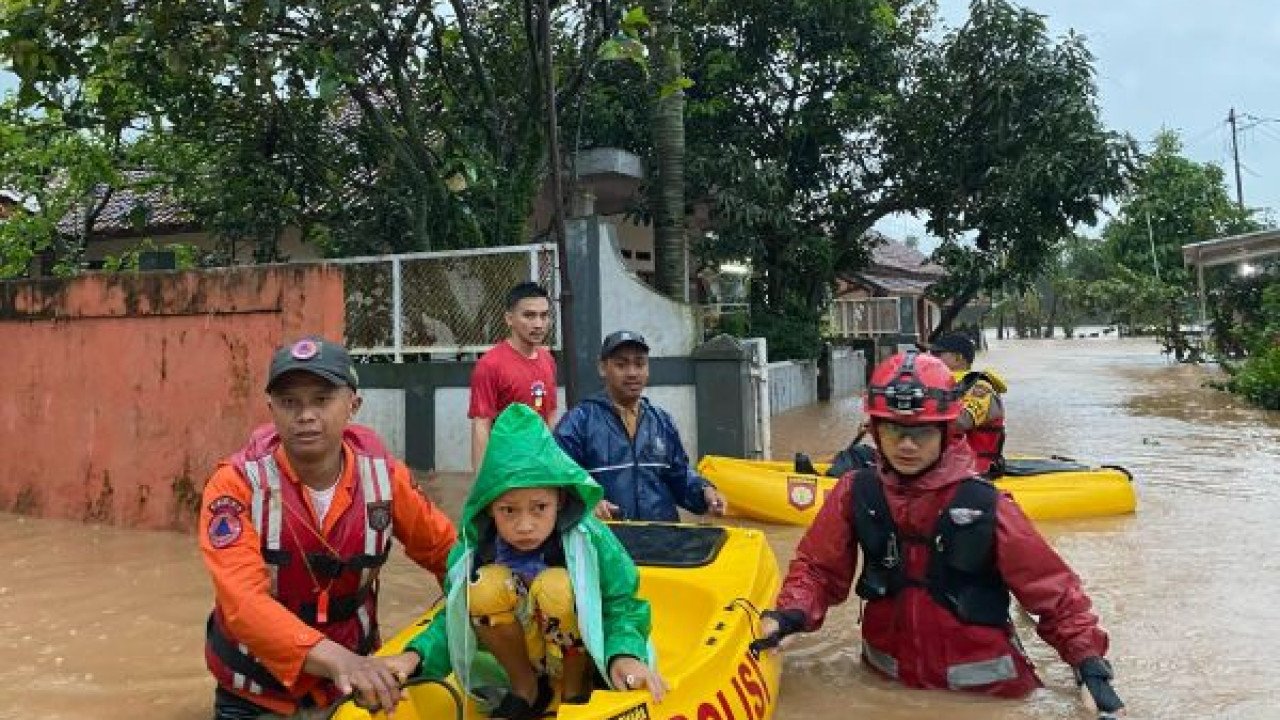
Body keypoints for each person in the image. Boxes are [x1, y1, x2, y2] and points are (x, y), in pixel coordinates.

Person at [752, 351, 1125, 716]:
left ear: (948, 431)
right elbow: (817, 570)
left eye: (921, 432)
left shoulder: (990, 506)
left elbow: (1056, 595)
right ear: (875, 431)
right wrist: (788, 616)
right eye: (894, 431)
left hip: (989, 698)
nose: (907, 445)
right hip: (886, 687)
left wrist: (1089, 667)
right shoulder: (854, 493)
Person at [199, 336, 458, 719]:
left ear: (353, 405)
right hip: (256, 691)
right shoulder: (234, 486)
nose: (305, 415)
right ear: (271, 409)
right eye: (290, 402)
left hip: (352, 687)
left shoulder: (387, 481)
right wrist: (343, 662)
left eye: (321, 399)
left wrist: (424, 650)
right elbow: (243, 604)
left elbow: (454, 560)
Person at [382, 403, 665, 720]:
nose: (525, 525)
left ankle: (574, 691)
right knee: (483, 587)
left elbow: (622, 604)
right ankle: (526, 688)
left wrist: (624, 655)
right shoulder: (473, 550)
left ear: (559, 499)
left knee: (555, 586)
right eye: (509, 510)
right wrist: (413, 657)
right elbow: (454, 618)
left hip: (578, 655)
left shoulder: (590, 538)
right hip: (524, 652)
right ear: (489, 508)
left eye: (539, 507)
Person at [553, 330, 726, 521]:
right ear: (602, 368)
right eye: (621, 364)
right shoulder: (579, 422)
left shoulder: (661, 421)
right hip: (606, 542)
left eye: (640, 364)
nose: (632, 373)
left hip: (661, 539)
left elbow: (680, 476)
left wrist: (705, 491)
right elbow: (559, 479)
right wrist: (588, 501)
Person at [470, 282, 558, 472]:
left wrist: (555, 463)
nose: (538, 324)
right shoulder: (489, 364)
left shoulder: (548, 360)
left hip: (541, 466)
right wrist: (480, 483)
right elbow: (481, 425)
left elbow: (550, 414)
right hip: (506, 470)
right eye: (529, 315)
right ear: (509, 319)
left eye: (544, 316)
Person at [930, 331, 1008, 475]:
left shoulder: (981, 387)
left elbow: (960, 422)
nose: (931, 359)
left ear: (958, 358)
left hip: (976, 469)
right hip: (949, 465)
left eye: (937, 354)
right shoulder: (942, 385)